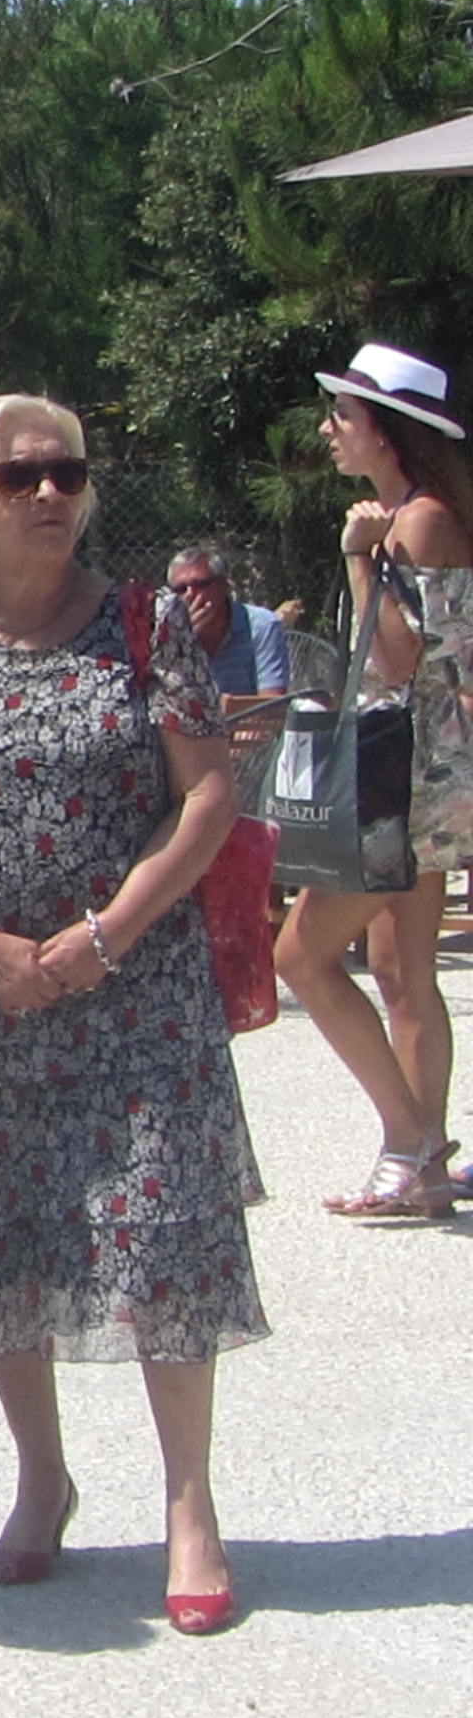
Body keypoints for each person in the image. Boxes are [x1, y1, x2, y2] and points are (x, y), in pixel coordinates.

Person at [0, 393, 263, 1636]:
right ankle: (41, 1475)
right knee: (0, 1237)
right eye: (18, 474)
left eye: (66, 473)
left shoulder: (143, 630)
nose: (48, 494)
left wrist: (105, 937)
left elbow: (204, 800)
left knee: (157, 1238)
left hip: (135, 997)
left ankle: (187, 1506)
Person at [271, 344, 473, 1218]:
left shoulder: (416, 522)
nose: (328, 429)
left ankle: (410, 1140)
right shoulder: (415, 512)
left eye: (342, 417)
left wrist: (362, 559)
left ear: (385, 433)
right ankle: (420, 1165)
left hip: (406, 780)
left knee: (301, 954)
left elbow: (399, 657)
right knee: (398, 965)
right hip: (424, 773)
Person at [166, 545, 289, 699]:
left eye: (200, 584)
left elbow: (272, 704)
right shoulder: (167, 634)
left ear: (223, 585)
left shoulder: (262, 625)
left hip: (248, 720)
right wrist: (189, 644)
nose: (190, 594)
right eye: (180, 589)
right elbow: (169, 703)